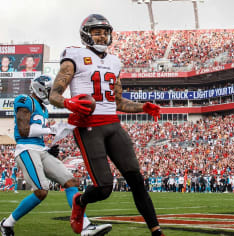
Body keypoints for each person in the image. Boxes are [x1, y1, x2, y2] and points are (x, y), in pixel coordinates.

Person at [49, 14, 164, 236]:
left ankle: (157, 232)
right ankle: (80, 201)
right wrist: (68, 102)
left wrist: (143, 107)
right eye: (96, 31)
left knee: (137, 180)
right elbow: (54, 94)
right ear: (86, 34)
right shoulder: (73, 56)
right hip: (88, 125)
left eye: (105, 32)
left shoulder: (114, 61)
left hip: (112, 124)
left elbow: (118, 101)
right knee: (103, 188)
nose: (102, 35)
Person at [0, 75, 111, 236]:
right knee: (41, 191)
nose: (53, 94)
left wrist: (50, 144)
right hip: (25, 149)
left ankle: (85, 226)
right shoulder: (25, 100)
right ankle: (7, 223)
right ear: (40, 89)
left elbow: (40, 135)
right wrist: (51, 129)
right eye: (51, 91)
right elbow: (24, 131)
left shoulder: (44, 109)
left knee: (71, 182)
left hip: (40, 149)